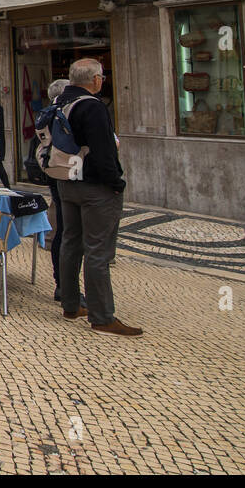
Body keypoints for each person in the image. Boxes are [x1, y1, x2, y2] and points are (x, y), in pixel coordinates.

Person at [55, 59, 140, 336]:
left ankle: (70, 304)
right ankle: (102, 316)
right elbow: (104, 152)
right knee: (97, 251)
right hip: (94, 187)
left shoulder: (60, 103)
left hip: (67, 182)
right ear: (95, 79)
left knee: (71, 242)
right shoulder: (92, 106)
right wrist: (116, 183)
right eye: (101, 77)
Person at [39, 78, 82, 306]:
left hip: (54, 173)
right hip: (71, 174)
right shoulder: (66, 113)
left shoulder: (47, 113)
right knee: (71, 232)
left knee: (63, 230)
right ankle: (67, 286)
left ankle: (62, 283)